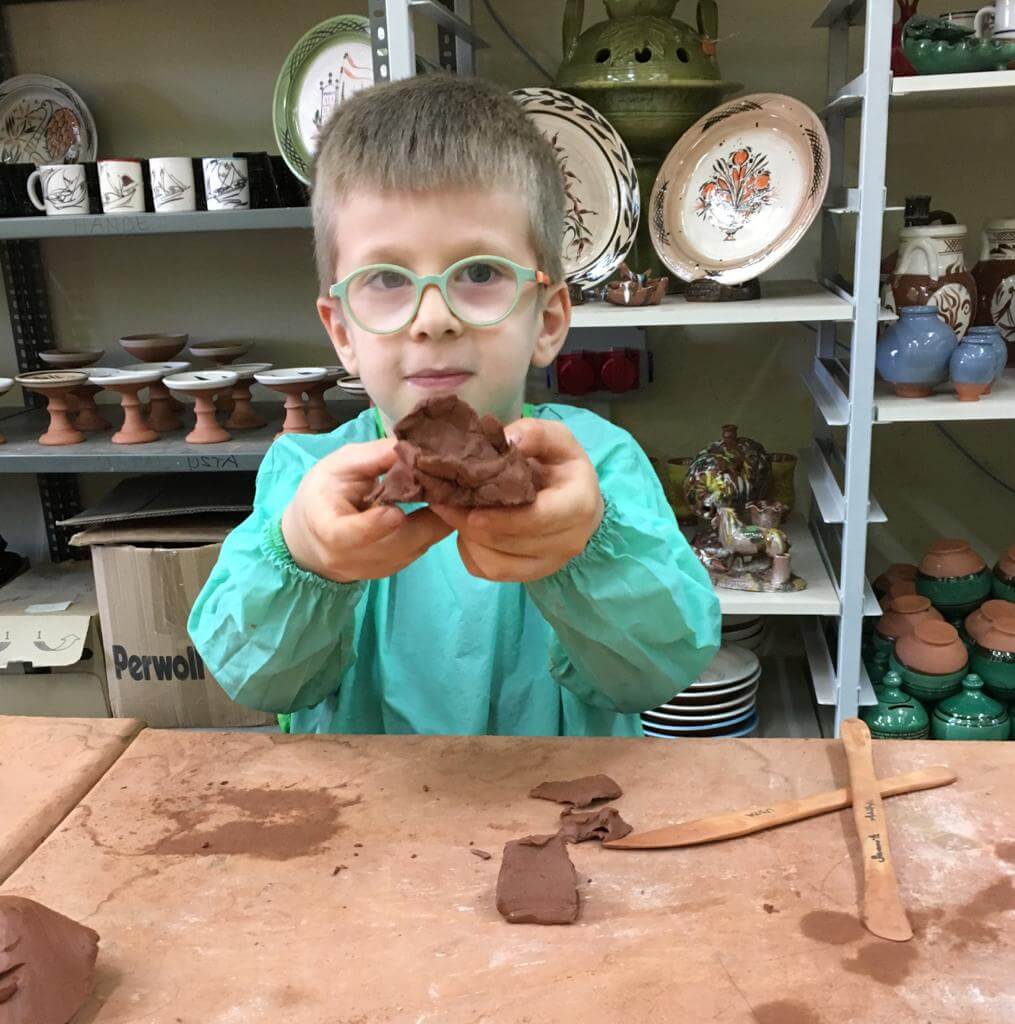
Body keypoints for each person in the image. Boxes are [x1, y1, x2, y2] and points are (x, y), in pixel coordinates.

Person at [188, 74, 719, 736]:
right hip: (362, 799)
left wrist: (590, 548)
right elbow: (257, 681)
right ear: (343, 331)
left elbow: (659, 671)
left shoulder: (597, 467)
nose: (433, 318)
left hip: (564, 794)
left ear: (549, 319)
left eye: (479, 273)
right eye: (386, 278)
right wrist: (302, 556)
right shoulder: (304, 475)